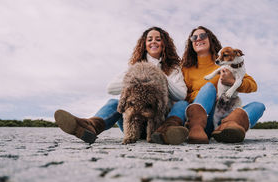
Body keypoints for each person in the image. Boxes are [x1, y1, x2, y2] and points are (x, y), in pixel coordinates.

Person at [54, 26, 187, 144]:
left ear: (164, 43)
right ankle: (90, 126)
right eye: (149, 39)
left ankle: (167, 133)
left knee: (183, 104)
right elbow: (110, 88)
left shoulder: (174, 69)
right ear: (144, 44)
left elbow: (181, 95)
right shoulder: (134, 67)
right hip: (133, 123)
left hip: (158, 124)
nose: (153, 41)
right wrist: (137, 77)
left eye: (158, 39)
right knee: (113, 102)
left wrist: (158, 75)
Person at [152, 26, 265, 144]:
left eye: (203, 35)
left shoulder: (226, 62)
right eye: (194, 37)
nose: (198, 39)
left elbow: (253, 85)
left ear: (210, 39)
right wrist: (207, 95)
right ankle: (172, 130)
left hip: (218, 117)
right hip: (197, 116)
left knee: (258, 106)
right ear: (191, 43)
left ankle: (228, 128)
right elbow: (182, 94)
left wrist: (231, 82)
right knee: (202, 91)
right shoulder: (185, 68)